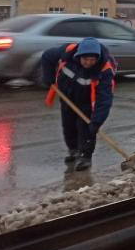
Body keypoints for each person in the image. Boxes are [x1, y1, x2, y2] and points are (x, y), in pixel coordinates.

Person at [42, 37, 116, 171]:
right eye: (85, 59)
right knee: (68, 125)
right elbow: (47, 56)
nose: (88, 63)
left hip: (86, 100)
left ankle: (85, 156)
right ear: (78, 56)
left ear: (97, 58)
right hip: (67, 95)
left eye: (92, 60)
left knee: (86, 128)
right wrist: (49, 78)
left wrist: (97, 121)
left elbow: (105, 99)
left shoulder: (104, 70)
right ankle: (73, 150)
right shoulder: (67, 52)